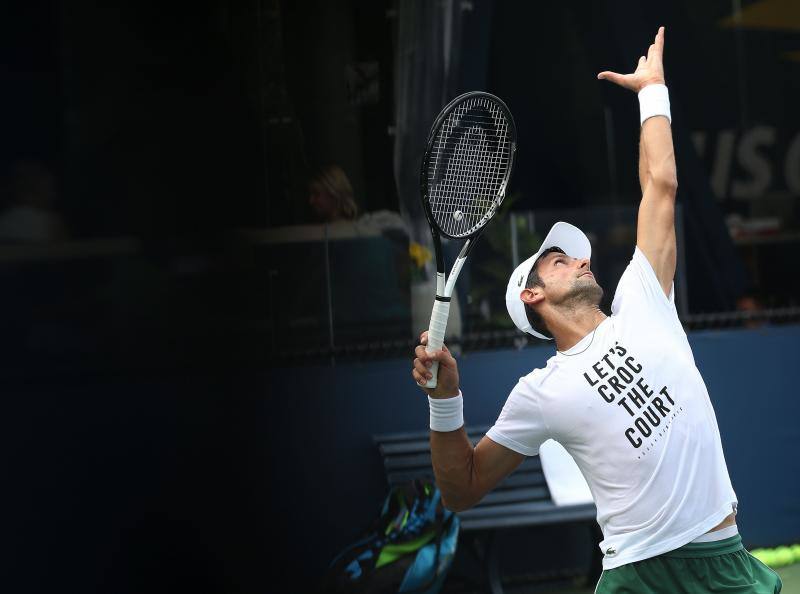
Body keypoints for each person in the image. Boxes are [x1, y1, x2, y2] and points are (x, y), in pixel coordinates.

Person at [411, 28, 782, 593]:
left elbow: (660, 186)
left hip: (722, 560)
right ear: (532, 295)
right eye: (559, 261)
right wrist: (445, 401)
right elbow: (462, 488)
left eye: (577, 258)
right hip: (636, 575)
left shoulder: (642, 297)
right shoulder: (540, 392)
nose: (581, 263)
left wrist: (652, 94)